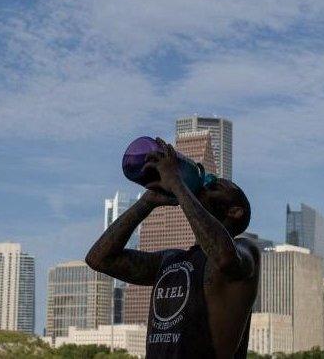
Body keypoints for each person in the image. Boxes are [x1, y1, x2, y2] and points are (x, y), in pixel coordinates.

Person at [86, 138, 260, 358]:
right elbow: (99, 259)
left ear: (235, 211)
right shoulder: (170, 260)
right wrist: (146, 202)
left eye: (215, 185)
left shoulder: (245, 250)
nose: (206, 184)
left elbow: (224, 258)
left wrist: (177, 184)